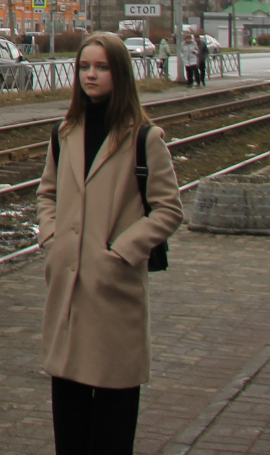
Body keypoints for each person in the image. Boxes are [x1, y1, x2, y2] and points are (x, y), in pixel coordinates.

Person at [38, 32, 183, 455]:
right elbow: (47, 193)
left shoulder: (144, 137)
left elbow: (168, 210)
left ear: (119, 73)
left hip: (113, 293)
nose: (91, 75)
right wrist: (52, 236)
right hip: (67, 292)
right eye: (84, 67)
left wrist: (122, 251)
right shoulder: (65, 132)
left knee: (112, 428)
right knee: (69, 425)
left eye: (101, 67)